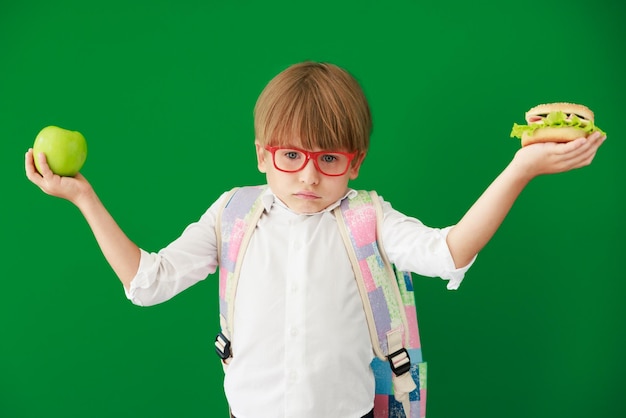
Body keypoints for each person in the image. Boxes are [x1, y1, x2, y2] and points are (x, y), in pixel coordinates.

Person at [24, 61, 606, 418]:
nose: (307, 175)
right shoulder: (233, 214)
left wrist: (519, 169)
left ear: (355, 163)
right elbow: (146, 283)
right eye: (291, 156)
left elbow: (449, 250)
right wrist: (83, 198)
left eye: (329, 158)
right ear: (262, 155)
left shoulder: (369, 218)